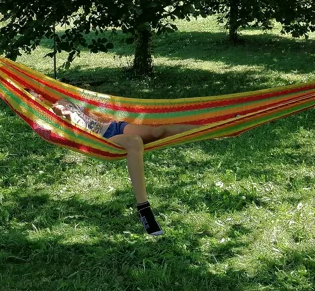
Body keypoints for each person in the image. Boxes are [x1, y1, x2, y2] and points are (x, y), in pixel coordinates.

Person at [27, 89, 198, 235]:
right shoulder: (47, 122)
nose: (36, 96)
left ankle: (216, 129)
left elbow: (92, 110)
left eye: (34, 92)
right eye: (32, 98)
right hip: (101, 140)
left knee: (157, 132)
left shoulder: (63, 98)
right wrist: (63, 117)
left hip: (112, 126)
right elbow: (75, 136)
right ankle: (144, 209)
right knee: (134, 142)